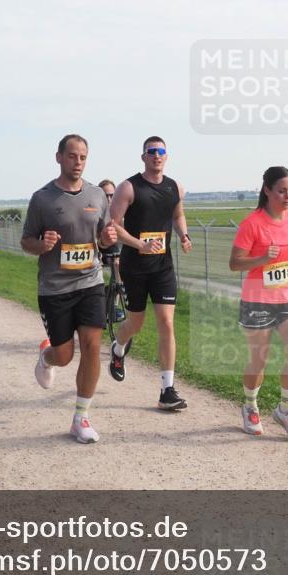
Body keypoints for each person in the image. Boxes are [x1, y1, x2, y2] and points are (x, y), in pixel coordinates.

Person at [21, 134, 118, 444]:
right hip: (55, 288)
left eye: (83, 157)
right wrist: (41, 244)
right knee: (64, 355)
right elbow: (27, 241)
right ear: (59, 157)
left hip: (90, 282)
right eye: (72, 156)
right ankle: (47, 356)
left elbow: (103, 237)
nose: (78, 162)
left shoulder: (97, 195)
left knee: (92, 346)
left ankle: (81, 418)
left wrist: (107, 240)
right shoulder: (42, 198)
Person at [228, 166, 288, 441]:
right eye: (282, 191)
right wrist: (263, 259)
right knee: (259, 359)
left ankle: (285, 410)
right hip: (258, 300)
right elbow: (234, 263)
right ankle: (250, 406)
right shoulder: (252, 223)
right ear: (267, 190)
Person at [107, 136, 192, 410]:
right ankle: (118, 348)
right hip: (134, 267)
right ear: (143, 156)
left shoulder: (174, 187)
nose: (156, 155)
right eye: (151, 151)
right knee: (136, 323)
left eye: (161, 151)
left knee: (166, 323)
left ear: (167, 156)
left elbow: (177, 215)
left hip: (162, 266)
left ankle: (167, 390)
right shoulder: (128, 187)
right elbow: (113, 225)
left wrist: (184, 235)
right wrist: (139, 244)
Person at [97, 179, 123, 322]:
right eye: (105, 195)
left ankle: (115, 305)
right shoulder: (94, 211)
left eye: (111, 195)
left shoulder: (119, 212)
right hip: (97, 249)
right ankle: (99, 299)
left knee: (120, 267)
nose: (108, 199)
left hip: (113, 250)